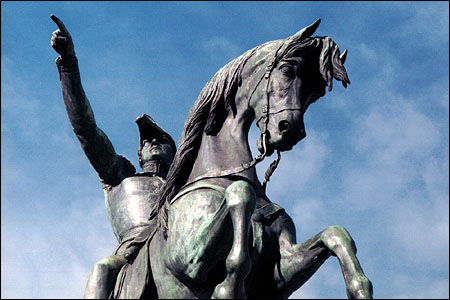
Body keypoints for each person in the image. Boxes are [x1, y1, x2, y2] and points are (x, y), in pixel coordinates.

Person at [50, 14, 176, 298]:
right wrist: (68, 64)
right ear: (139, 154)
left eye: (162, 139)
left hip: (178, 248)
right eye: (147, 140)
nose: (153, 142)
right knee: (102, 270)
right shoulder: (118, 177)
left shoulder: (186, 185)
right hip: (132, 254)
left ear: (175, 152)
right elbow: (85, 127)